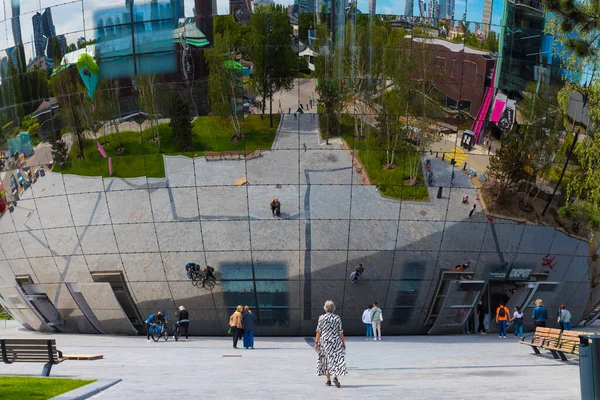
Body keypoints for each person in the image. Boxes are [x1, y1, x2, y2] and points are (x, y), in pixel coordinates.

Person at [315, 300, 347, 388]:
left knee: (325, 360)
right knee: (336, 359)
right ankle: (335, 377)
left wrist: (316, 342)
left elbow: (318, 331)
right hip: (335, 341)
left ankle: (328, 380)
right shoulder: (337, 318)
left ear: (325, 308)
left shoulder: (321, 318)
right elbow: (340, 331)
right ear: (333, 308)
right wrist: (343, 342)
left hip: (324, 341)